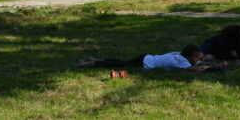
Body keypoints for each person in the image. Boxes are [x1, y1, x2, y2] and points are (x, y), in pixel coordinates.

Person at [76, 44, 218, 71]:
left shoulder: (179, 55)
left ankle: (96, 60)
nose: (197, 60)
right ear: (189, 56)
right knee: (119, 65)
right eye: (196, 58)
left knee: (120, 62)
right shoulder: (181, 61)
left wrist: (209, 63)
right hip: (144, 63)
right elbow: (195, 69)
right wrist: (214, 68)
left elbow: (198, 64)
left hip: (145, 58)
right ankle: (90, 63)